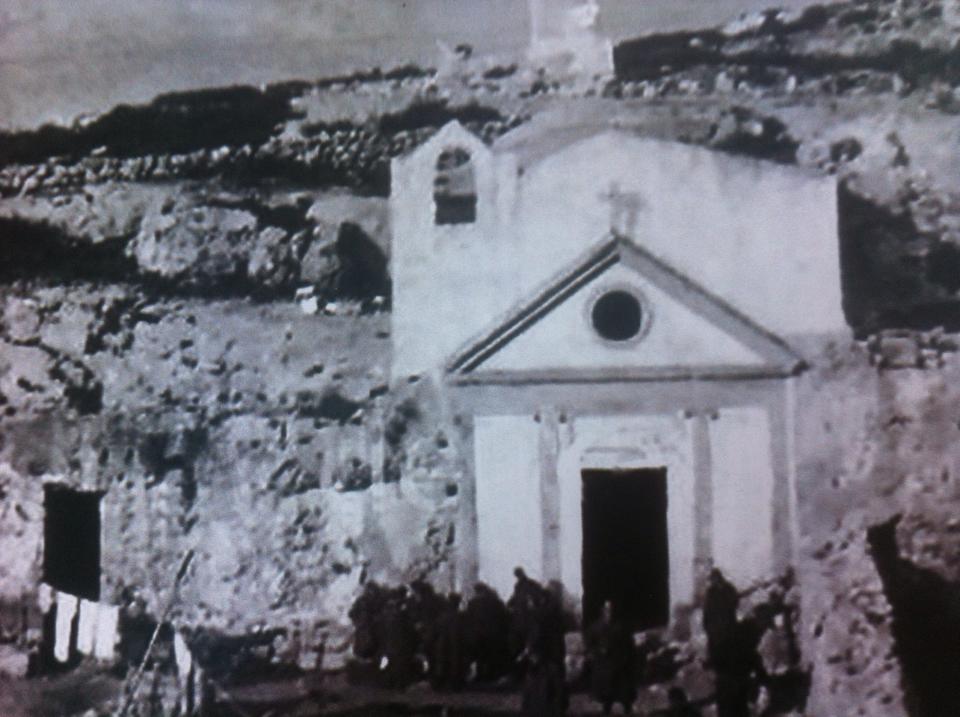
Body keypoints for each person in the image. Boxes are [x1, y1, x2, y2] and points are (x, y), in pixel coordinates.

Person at [584, 601, 637, 715]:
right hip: (604, 664)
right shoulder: (595, 627)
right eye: (607, 610)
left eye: (612, 610)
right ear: (603, 611)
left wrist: (626, 658)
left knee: (623, 691)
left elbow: (630, 644)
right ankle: (606, 709)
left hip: (620, 663)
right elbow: (589, 645)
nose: (610, 612)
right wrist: (598, 651)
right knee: (606, 691)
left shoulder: (622, 626)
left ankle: (627, 709)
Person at [464, 582, 512, 682]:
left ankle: (480, 675)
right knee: (491, 656)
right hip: (494, 634)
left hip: (478, 634)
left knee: (480, 656)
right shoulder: (496, 602)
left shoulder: (473, 603)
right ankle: (492, 675)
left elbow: (468, 618)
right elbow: (505, 617)